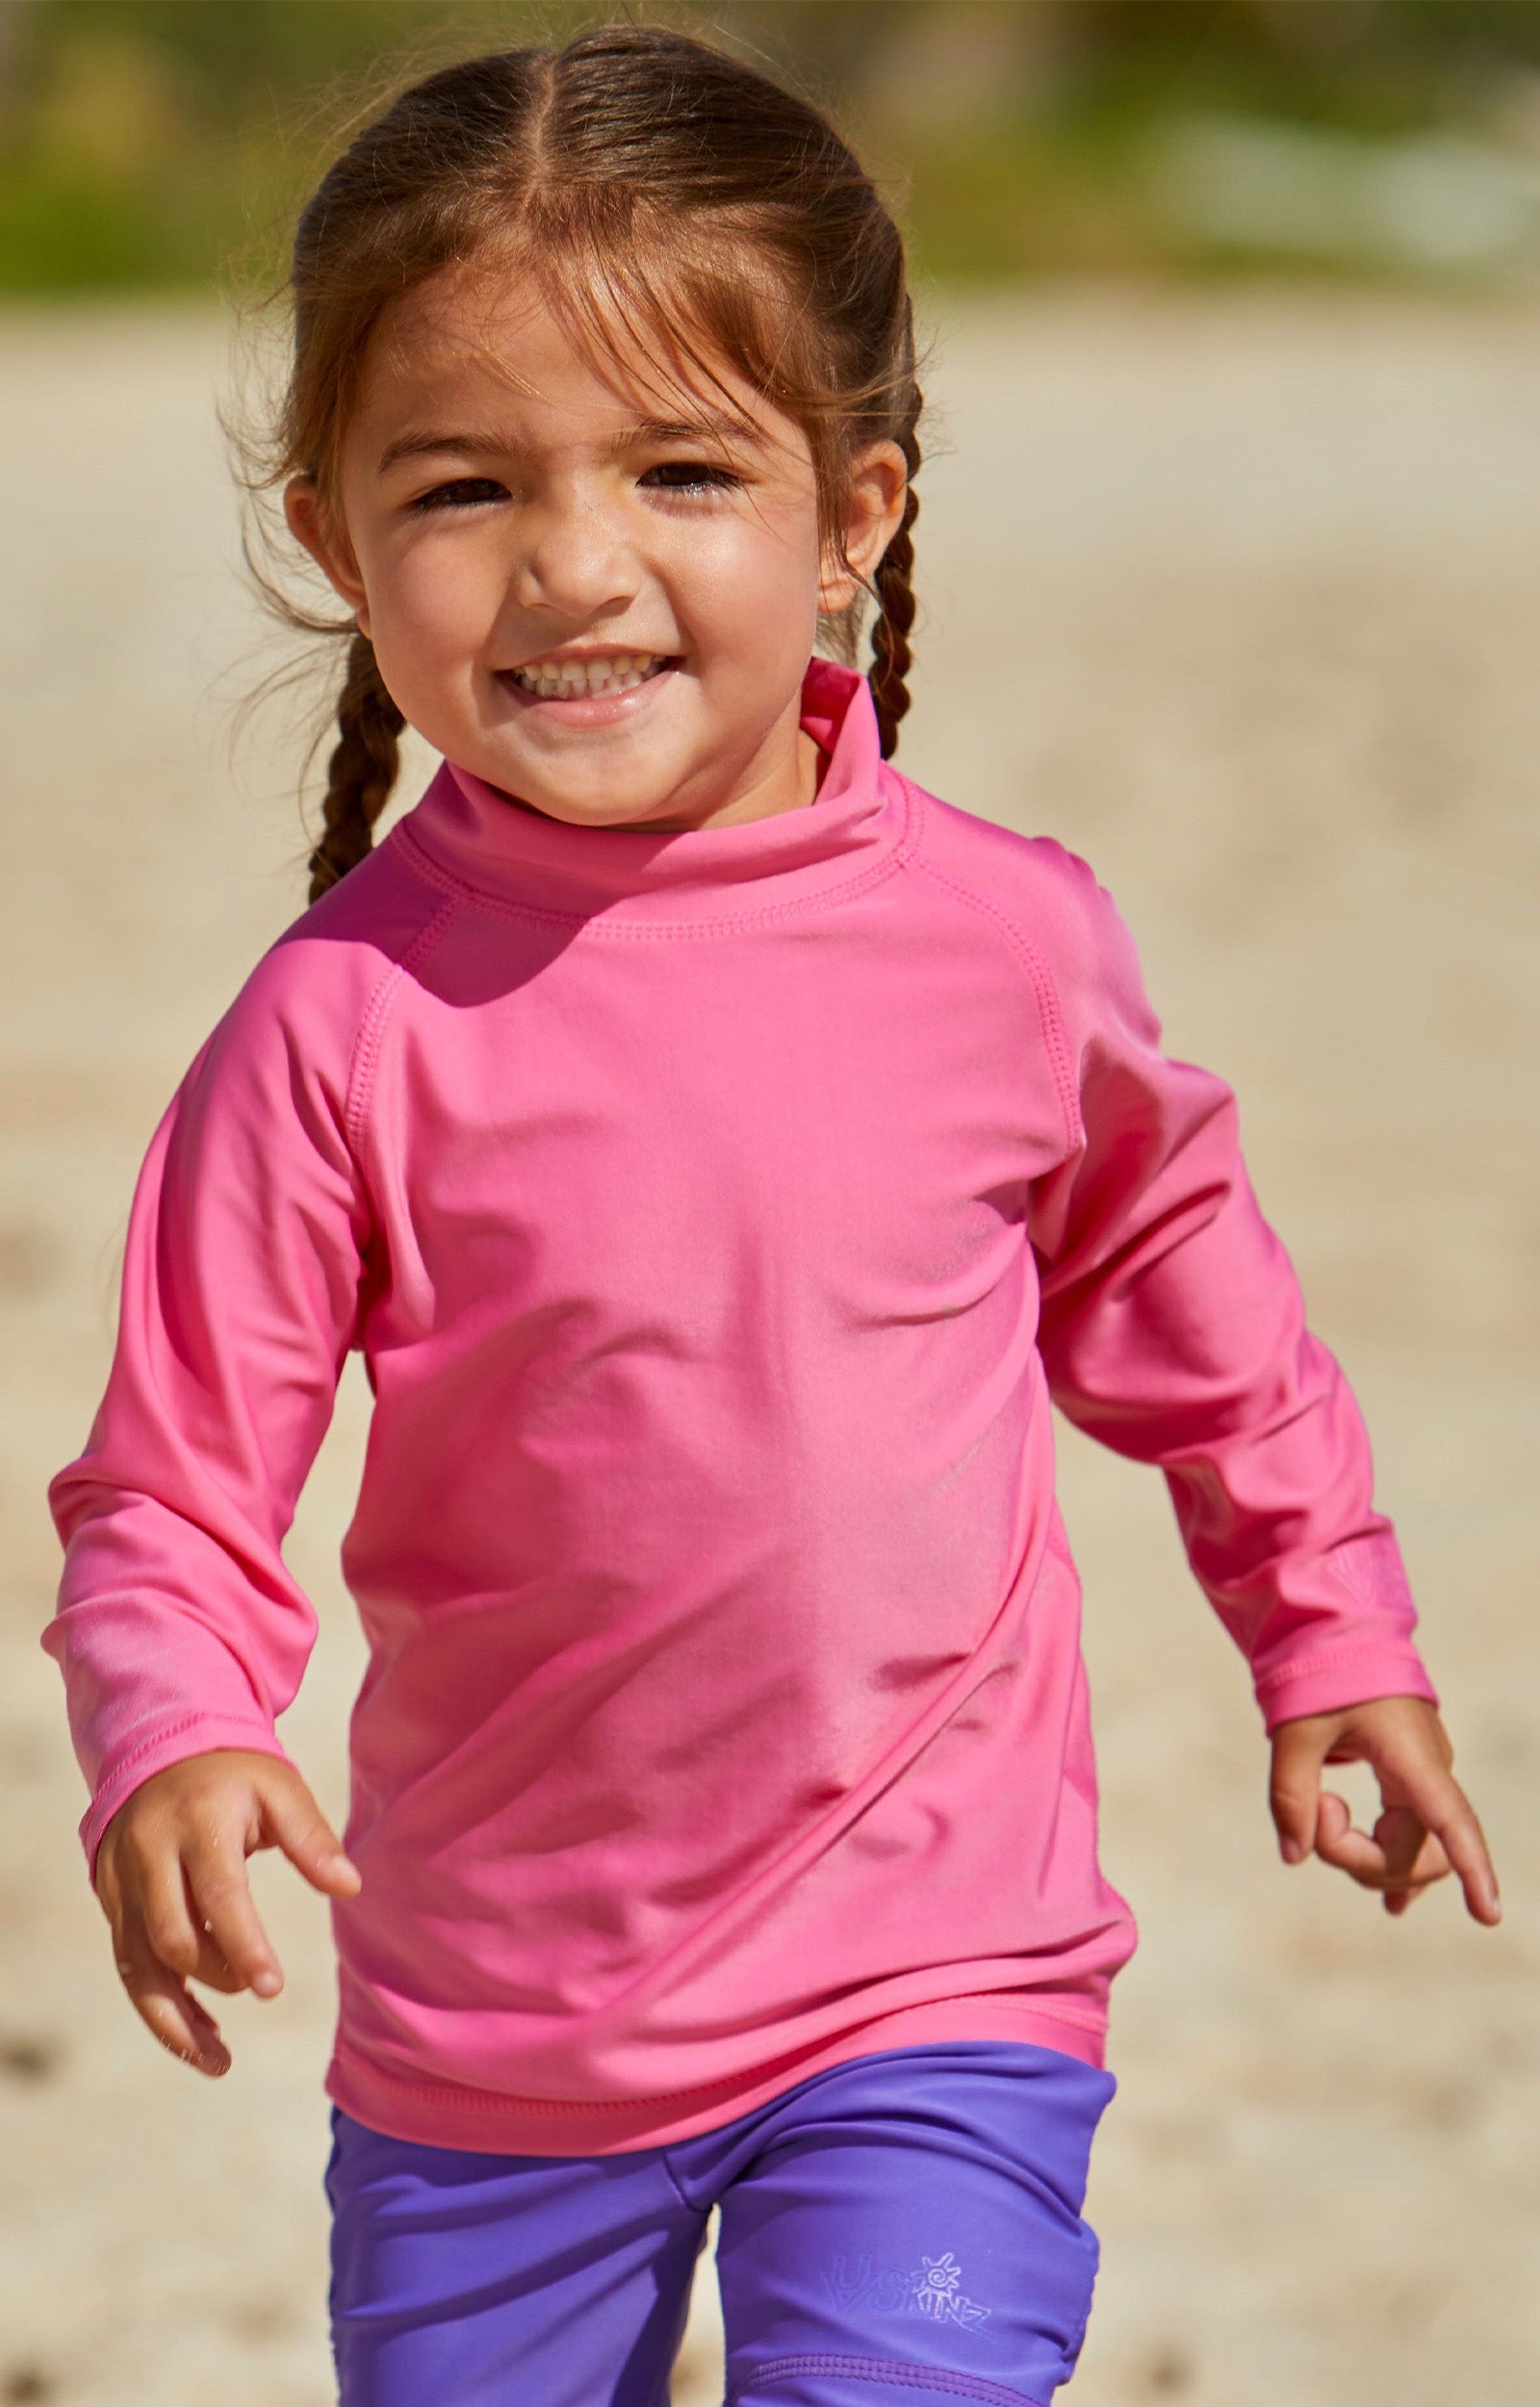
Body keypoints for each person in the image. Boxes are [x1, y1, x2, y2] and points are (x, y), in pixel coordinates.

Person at [42, 28, 1500, 2407]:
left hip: (937, 1980)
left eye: (682, 471)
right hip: (496, 2033)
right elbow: (171, 1492)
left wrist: (1330, 1631)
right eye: (463, 485)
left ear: (853, 514)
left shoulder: (1005, 945)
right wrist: (173, 1736)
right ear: (333, 535)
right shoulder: (335, 1028)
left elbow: (1186, 1301)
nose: (573, 565)